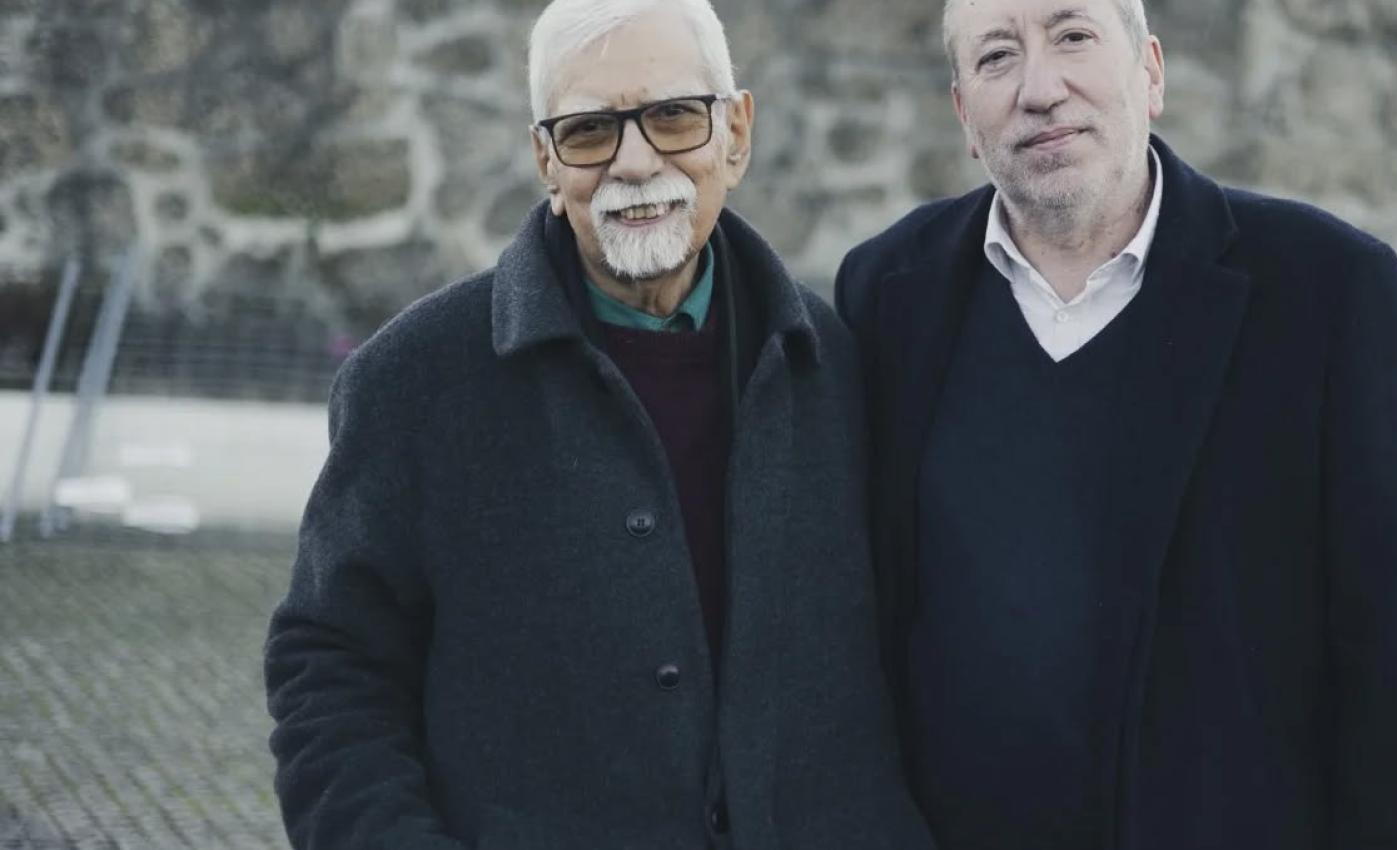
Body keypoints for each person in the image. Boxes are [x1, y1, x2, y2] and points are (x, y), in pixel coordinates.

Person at [264, 1, 934, 847]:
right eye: (589, 131)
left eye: (674, 116)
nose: (636, 161)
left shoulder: (835, 367)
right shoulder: (412, 384)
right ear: (546, 161)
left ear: (736, 135)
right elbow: (331, 669)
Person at [834, 0, 1397, 847]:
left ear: (1151, 73)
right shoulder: (886, 294)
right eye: (996, 57)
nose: (1040, 88)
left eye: (1073, 36)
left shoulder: (1328, 291)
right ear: (963, 112)